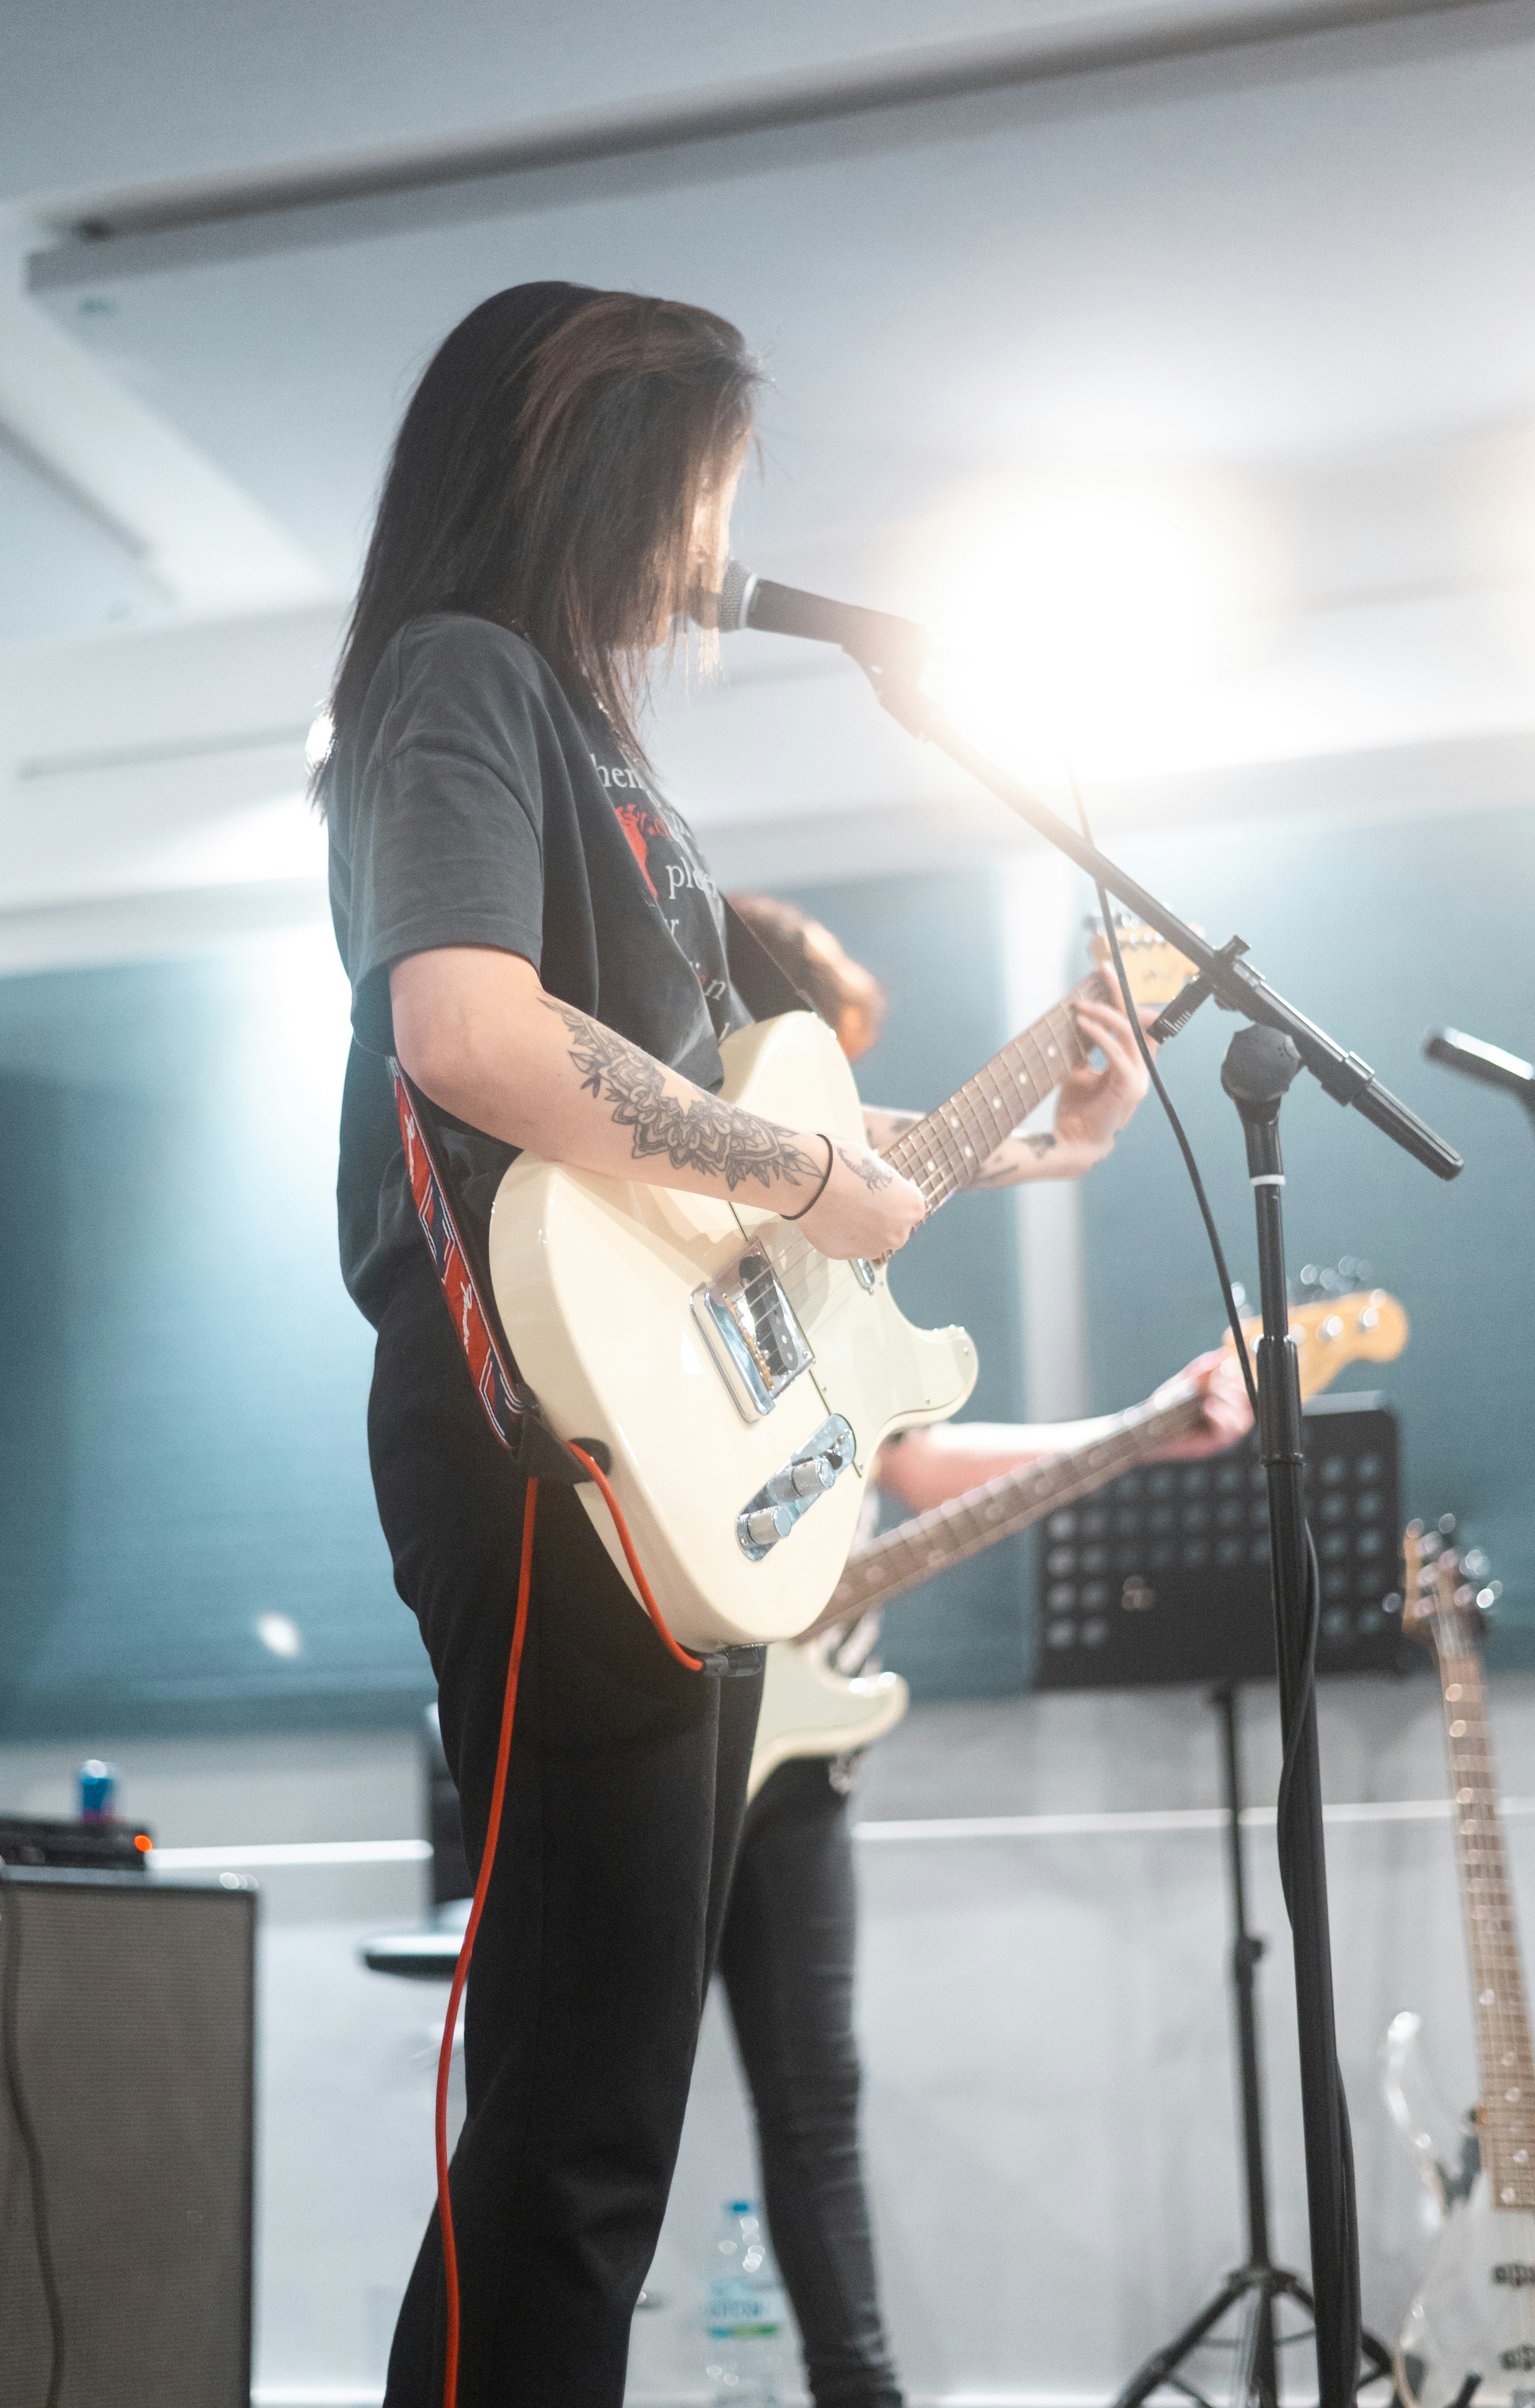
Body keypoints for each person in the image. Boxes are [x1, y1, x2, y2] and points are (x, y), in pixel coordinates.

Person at [318, 282, 1157, 2408]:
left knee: (595, 2124)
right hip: (541, 1458)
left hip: (665, 1458)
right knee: (578, 2128)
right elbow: (469, 1033)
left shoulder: (595, 741)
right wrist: (800, 1179)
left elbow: (737, 1176)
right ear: (589, 471)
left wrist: (1020, 1141)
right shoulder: (458, 679)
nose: (709, 546)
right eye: (694, 485)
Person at [716, 895, 1253, 2408]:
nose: (842, 1110)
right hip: (666, 1697)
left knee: (816, 2105)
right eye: (830, 1065)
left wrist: (1142, 1432)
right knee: (585, 2105)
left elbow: (917, 1459)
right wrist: (1064, 1139)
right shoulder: (678, 1209)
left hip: (801, 1741)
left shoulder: (821, 1270)